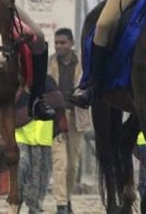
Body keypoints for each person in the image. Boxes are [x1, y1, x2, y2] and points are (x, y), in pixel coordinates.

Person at [50, 28, 91, 214]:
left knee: (73, 164)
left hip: (77, 117)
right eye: (56, 42)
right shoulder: (49, 63)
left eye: (62, 42)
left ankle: (66, 199)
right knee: (60, 163)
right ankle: (60, 204)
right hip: (56, 117)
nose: (59, 46)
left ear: (71, 43)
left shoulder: (83, 63)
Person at [15, 77, 58, 214]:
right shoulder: (17, 83)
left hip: (41, 137)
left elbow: (58, 104)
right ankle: (17, 202)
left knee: (40, 175)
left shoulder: (48, 82)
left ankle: (34, 206)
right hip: (21, 134)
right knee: (21, 169)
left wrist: (60, 128)